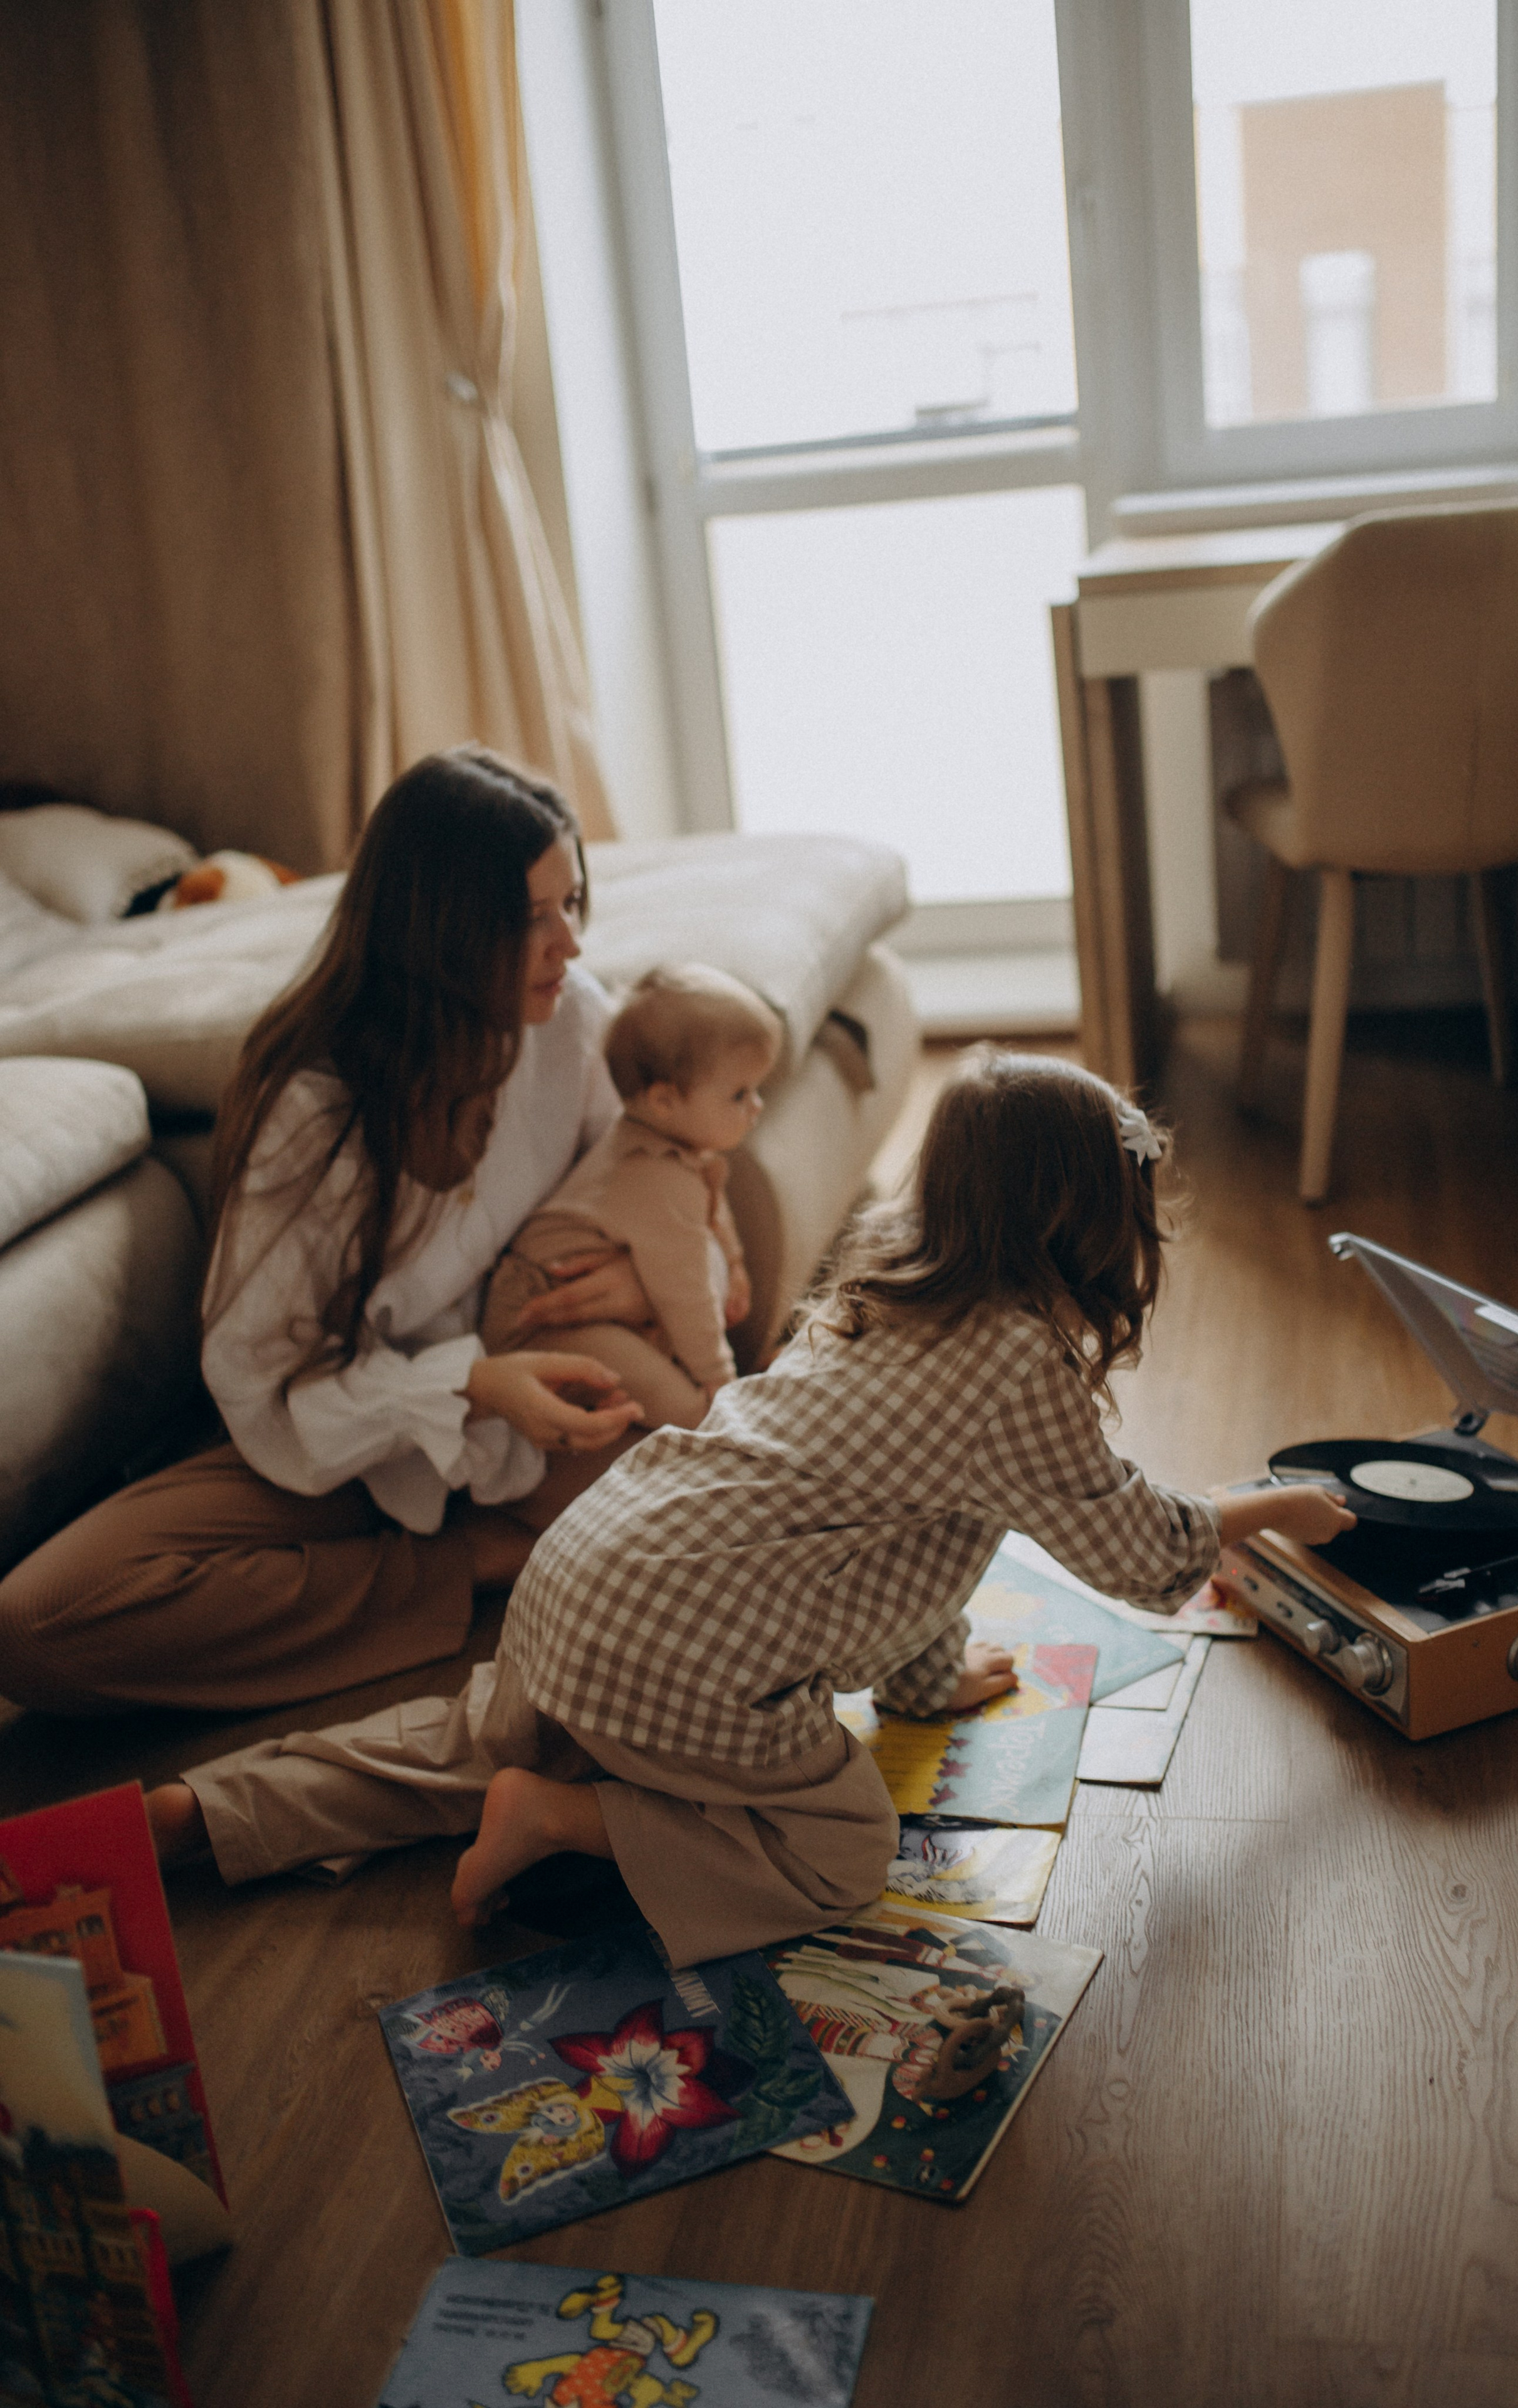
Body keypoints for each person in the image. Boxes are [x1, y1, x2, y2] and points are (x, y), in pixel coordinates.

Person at [145, 1051, 1354, 1968]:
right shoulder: (1020, 1361)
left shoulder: (890, 1281)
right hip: (684, 1652)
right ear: (1087, 1218)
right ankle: (561, 1818)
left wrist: (930, 1677)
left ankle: (201, 1813)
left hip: (584, 1581)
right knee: (841, 1844)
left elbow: (895, 1520)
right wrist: (1273, 1504)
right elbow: (1147, 1557)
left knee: (463, 1745)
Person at [0, 747, 691, 1717]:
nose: (568, 945)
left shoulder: (570, 1022)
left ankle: (464, 1558)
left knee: (714, 1510)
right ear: (442, 931)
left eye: (572, 903)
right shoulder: (313, 1116)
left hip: (526, 1417)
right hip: (338, 1442)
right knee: (39, 1621)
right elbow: (261, 1383)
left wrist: (622, 1281)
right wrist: (469, 1381)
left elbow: (645, 1181)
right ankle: (472, 1569)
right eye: (530, 919)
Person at [479, 964, 782, 1429]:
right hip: (537, 1319)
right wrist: (722, 1380)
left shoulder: (674, 1147)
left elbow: (710, 1209)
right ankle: (715, 1431)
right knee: (686, 1407)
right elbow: (686, 1292)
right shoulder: (655, 1178)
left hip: (584, 1298)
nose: (756, 1107)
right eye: (740, 1094)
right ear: (663, 1100)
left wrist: (736, 1264)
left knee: (669, 1352)